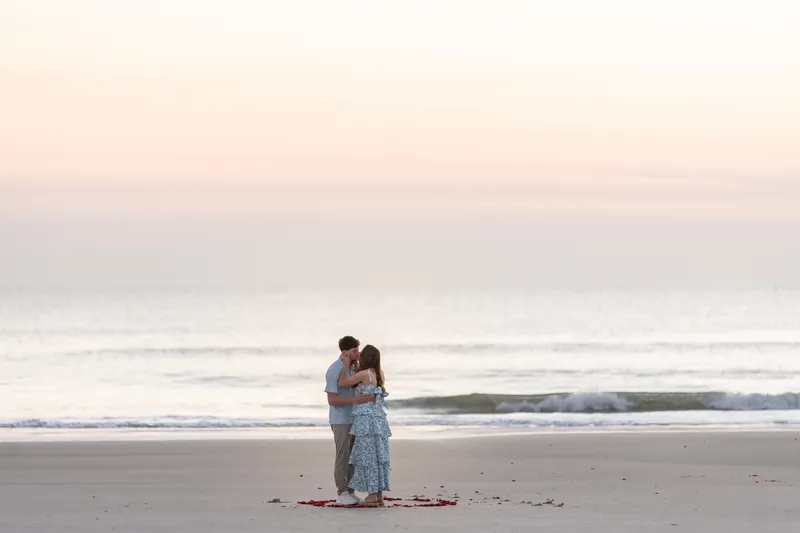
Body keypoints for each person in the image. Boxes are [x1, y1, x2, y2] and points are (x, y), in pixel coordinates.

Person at [338, 344, 391, 507]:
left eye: (361, 354)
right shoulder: (377, 373)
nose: (358, 356)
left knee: (367, 456)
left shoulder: (364, 374)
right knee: (377, 454)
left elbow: (342, 383)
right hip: (377, 419)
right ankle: (378, 494)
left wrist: (346, 364)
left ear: (366, 358)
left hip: (366, 421)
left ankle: (372, 494)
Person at [324, 336, 375, 506]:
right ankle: (342, 491)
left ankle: (350, 490)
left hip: (354, 418)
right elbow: (332, 400)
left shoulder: (353, 369)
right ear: (345, 352)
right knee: (343, 455)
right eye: (354, 351)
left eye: (358, 350)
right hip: (340, 420)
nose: (357, 353)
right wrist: (355, 401)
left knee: (353, 456)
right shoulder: (334, 370)